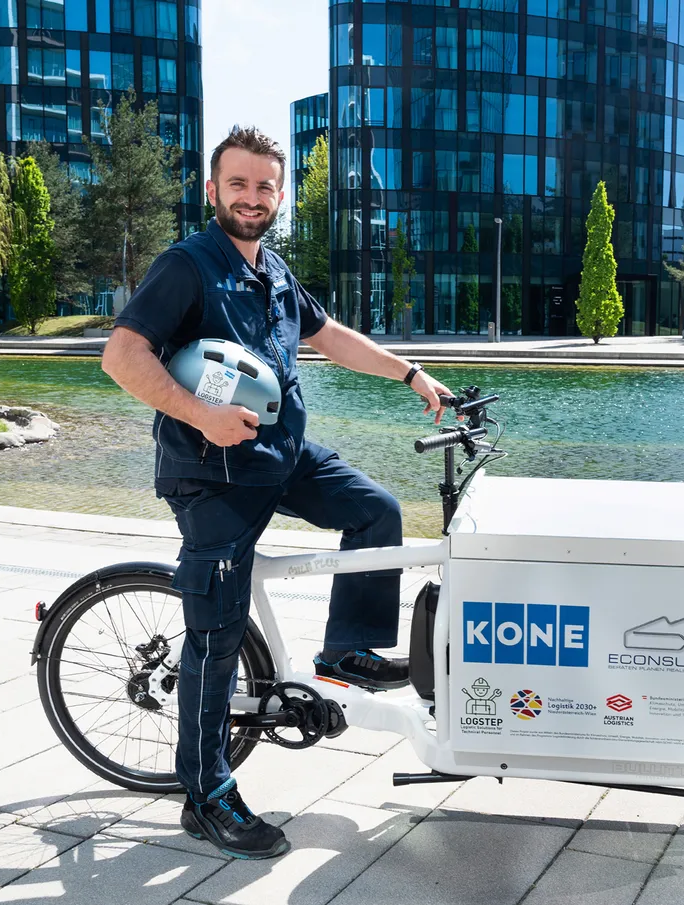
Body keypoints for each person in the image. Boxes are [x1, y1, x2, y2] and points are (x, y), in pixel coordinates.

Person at [101, 126, 455, 862]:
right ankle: (206, 795)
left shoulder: (274, 270)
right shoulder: (187, 266)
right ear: (213, 190)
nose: (252, 197)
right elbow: (122, 355)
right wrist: (201, 415)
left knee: (376, 511)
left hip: (278, 458)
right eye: (238, 184)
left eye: (264, 186)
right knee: (216, 639)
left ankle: (345, 652)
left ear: (279, 195)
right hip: (212, 475)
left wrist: (410, 373)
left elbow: (330, 336)